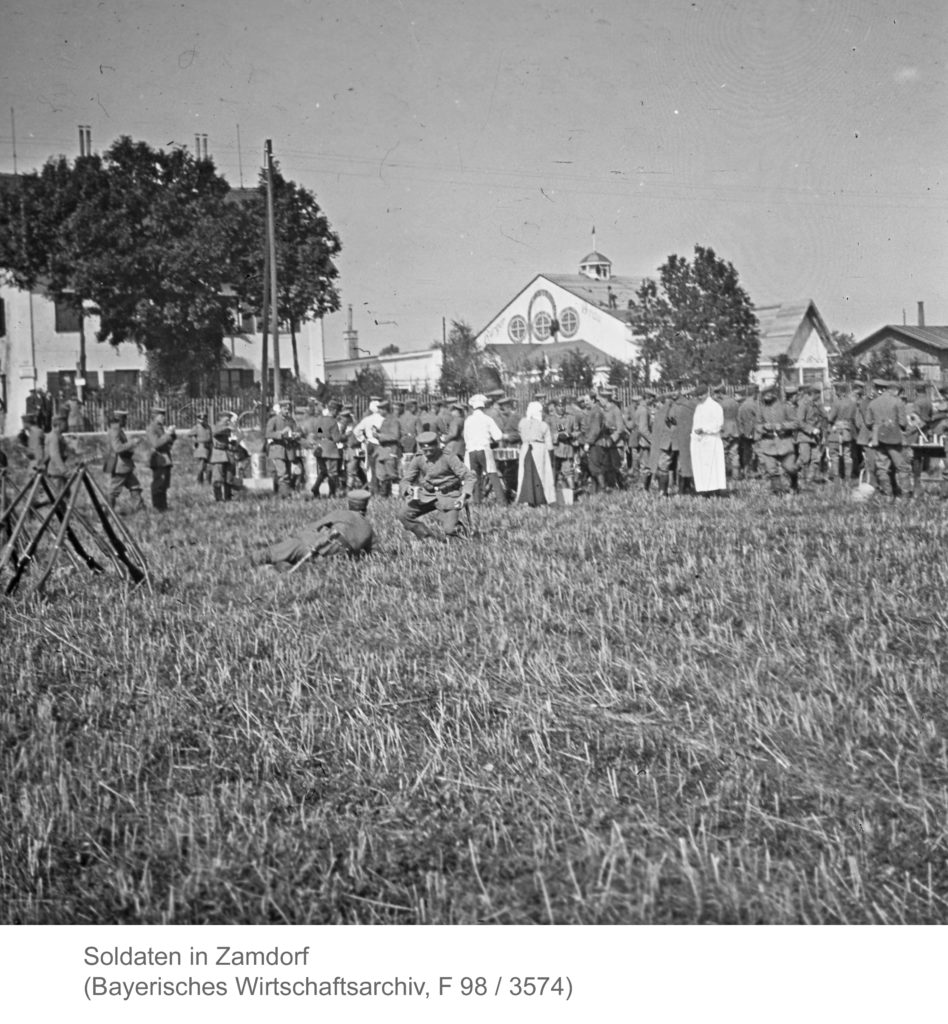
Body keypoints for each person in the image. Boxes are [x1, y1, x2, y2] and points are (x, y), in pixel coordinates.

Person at [250, 490, 375, 570]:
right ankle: (282, 567)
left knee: (268, 554)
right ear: (366, 507)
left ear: (349, 504)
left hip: (315, 545)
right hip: (332, 559)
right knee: (296, 563)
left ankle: (238, 565)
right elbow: (368, 553)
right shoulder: (369, 529)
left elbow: (313, 527)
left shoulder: (341, 514)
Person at [398, 430, 476, 541]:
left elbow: (469, 477)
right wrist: (408, 488)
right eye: (425, 450)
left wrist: (463, 496)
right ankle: (428, 538)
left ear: (437, 446)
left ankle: (459, 532)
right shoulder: (418, 458)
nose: (428, 453)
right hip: (427, 495)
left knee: (449, 530)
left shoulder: (448, 457)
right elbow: (406, 480)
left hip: (449, 495)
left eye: (431, 450)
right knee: (404, 515)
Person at [864, 378, 910, 499]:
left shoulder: (872, 403)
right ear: (893, 390)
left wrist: (877, 428)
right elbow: (903, 423)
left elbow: (868, 422)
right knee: (902, 466)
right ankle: (905, 495)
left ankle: (887, 494)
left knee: (882, 467)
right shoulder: (897, 402)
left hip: (877, 439)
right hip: (894, 438)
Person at [462, 393, 506, 505]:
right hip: (484, 449)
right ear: (483, 407)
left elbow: (465, 437)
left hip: (471, 451)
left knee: (475, 477)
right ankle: (502, 501)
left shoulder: (468, 420)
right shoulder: (487, 419)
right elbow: (498, 435)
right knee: (492, 474)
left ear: (473, 407)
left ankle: (477, 501)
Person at [755, 385, 798, 493]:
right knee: (771, 469)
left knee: (790, 467)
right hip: (768, 443)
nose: (766, 397)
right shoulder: (761, 408)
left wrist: (782, 426)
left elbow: (796, 423)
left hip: (784, 442)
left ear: (774, 394)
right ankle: (777, 491)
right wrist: (764, 427)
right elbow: (757, 424)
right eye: (764, 394)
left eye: (769, 394)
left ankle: (794, 481)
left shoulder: (785, 406)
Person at [104, 410, 145, 511]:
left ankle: (140, 509)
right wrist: (132, 443)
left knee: (135, 486)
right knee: (113, 491)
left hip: (125, 466)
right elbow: (117, 448)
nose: (126, 421)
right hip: (120, 466)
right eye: (124, 418)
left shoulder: (117, 429)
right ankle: (107, 512)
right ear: (119, 419)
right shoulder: (115, 430)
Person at [517, 400, 555, 506]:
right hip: (542, 448)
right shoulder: (545, 422)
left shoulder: (523, 422)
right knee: (541, 474)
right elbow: (550, 440)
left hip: (528, 448)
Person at [690, 384, 727, 495]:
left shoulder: (715, 406)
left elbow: (718, 425)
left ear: (707, 393)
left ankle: (714, 490)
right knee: (701, 467)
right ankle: (704, 490)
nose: (699, 397)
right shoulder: (699, 407)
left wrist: (704, 429)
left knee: (712, 466)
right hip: (699, 441)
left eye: (701, 395)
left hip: (711, 440)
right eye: (698, 395)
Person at [308, 399, 343, 498]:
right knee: (333, 472)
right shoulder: (333, 422)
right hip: (330, 450)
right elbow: (336, 438)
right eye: (338, 411)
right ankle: (332, 493)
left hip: (320, 449)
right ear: (335, 411)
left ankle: (315, 488)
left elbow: (318, 433)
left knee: (323, 471)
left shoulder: (320, 420)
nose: (338, 413)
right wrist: (345, 436)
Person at [265, 399, 301, 497]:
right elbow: (268, 434)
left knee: (288, 474)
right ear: (280, 409)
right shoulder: (273, 420)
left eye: (288, 409)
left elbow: (296, 431)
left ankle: (280, 492)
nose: (287, 411)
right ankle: (284, 495)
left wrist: (296, 435)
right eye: (285, 409)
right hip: (278, 449)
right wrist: (281, 434)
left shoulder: (291, 420)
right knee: (283, 473)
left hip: (289, 450)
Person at [145, 405, 177, 511]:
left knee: (164, 485)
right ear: (155, 416)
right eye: (161, 416)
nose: (164, 417)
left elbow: (166, 444)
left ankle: (163, 506)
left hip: (165, 459)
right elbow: (156, 444)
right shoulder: (151, 428)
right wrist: (167, 434)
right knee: (158, 484)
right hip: (158, 460)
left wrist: (172, 436)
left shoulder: (160, 428)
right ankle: (158, 507)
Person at [825, 383, 859, 481]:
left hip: (837, 430)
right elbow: (855, 418)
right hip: (848, 430)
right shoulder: (853, 402)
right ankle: (848, 477)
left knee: (834, 454)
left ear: (839, 392)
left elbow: (830, 418)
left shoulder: (837, 402)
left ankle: (836, 477)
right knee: (847, 455)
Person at [209, 411, 240, 502]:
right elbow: (216, 433)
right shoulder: (216, 426)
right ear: (220, 419)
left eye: (228, 420)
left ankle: (228, 498)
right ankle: (218, 498)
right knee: (218, 478)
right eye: (226, 419)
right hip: (219, 454)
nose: (228, 421)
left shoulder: (229, 428)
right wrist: (228, 427)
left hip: (228, 454)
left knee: (229, 478)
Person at [44, 413, 75, 495]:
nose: (67, 425)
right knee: (59, 498)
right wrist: (65, 471)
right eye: (65, 423)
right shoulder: (54, 437)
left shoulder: (58, 436)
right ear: (58, 424)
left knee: (65, 496)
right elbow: (55, 455)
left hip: (58, 471)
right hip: (56, 471)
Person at [189, 410, 213, 484]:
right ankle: (199, 482)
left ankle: (208, 481)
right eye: (200, 418)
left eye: (204, 418)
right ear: (198, 419)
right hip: (201, 447)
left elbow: (211, 436)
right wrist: (195, 441)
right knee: (201, 466)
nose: (202, 420)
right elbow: (189, 434)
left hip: (209, 447)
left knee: (209, 466)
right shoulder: (196, 427)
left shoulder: (208, 427)